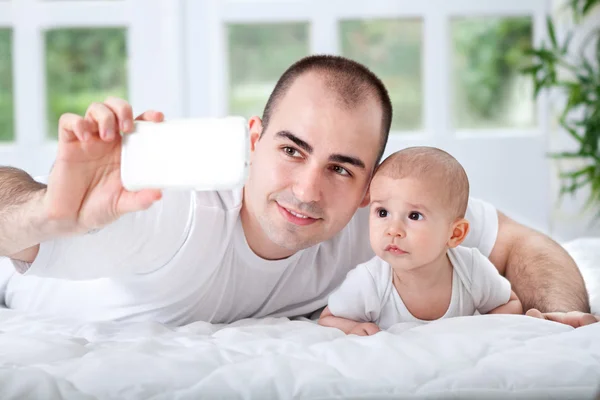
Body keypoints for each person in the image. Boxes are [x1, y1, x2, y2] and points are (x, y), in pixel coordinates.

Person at [0, 55, 596, 327]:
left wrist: (563, 315)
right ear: (252, 139)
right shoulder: (176, 211)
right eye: (291, 150)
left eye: (341, 168)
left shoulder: (383, 224)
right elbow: (13, 217)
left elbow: (524, 242)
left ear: (370, 183)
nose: (307, 190)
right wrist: (48, 214)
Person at [318, 147, 523, 336]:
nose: (393, 230)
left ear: (455, 234)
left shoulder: (471, 269)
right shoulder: (370, 281)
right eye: (382, 212)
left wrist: (488, 330)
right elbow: (329, 318)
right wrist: (354, 327)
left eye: (414, 216)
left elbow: (509, 303)